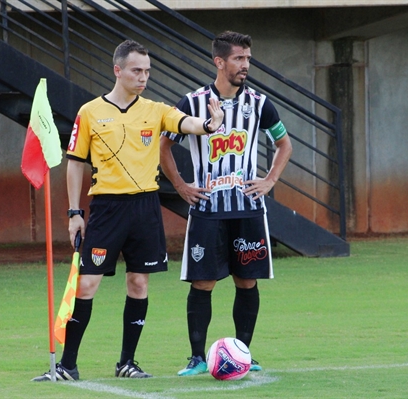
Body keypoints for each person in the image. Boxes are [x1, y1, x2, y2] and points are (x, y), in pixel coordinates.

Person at [32, 39, 223, 382]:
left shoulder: (155, 109)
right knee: (87, 284)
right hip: (106, 208)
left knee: (138, 283)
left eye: (147, 71)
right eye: (137, 70)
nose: (143, 77)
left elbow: (186, 123)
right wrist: (75, 212)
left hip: (145, 207)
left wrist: (210, 125)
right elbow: (75, 164)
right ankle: (67, 365)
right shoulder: (90, 112)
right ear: (117, 70)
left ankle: (127, 362)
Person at [160, 31, 292, 376]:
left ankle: (245, 352)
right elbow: (164, 146)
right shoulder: (192, 103)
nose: (245, 65)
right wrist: (180, 185)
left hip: (248, 208)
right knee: (203, 283)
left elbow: (284, 145)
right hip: (206, 210)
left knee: (247, 281)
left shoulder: (261, 105)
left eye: (247, 58)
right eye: (238, 59)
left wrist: (270, 180)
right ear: (219, 62)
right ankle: (196, 357)